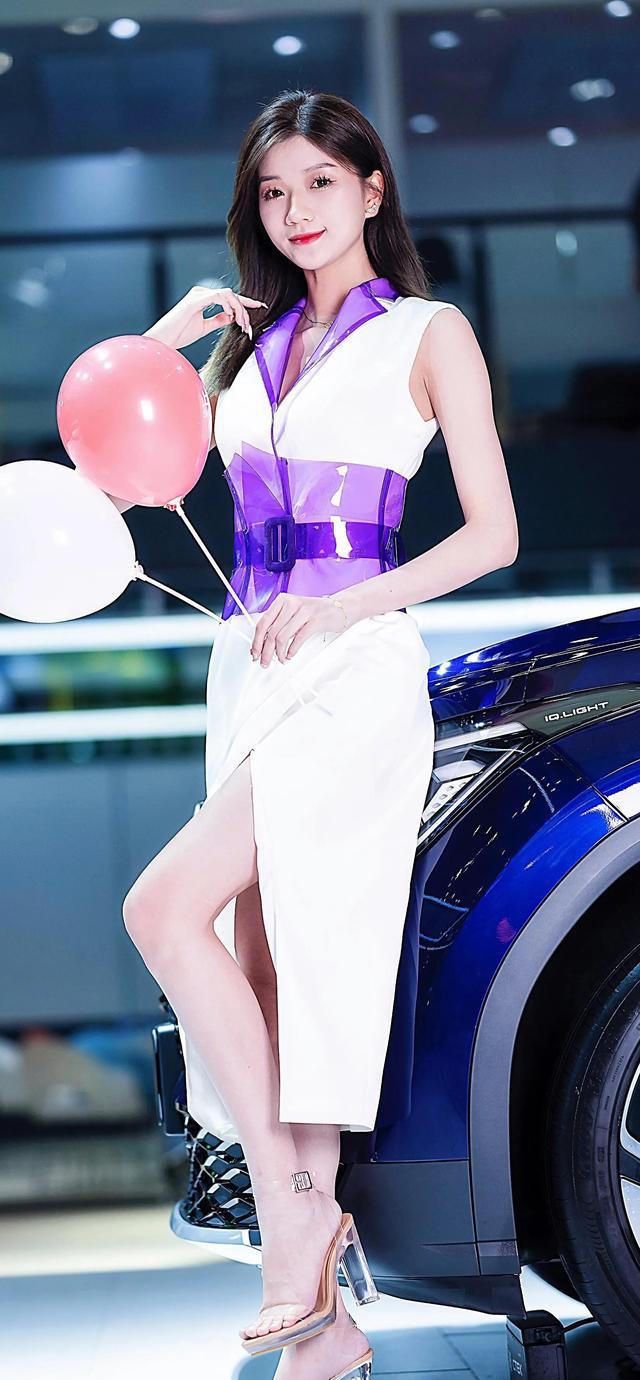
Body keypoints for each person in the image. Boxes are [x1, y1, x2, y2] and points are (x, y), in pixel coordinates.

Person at [115, 88, 519, 1380]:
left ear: (373, 190)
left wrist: (350, 603)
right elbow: (120, 468)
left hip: (351, 669)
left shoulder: (429, 333)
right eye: (274, 192)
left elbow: (493, 535)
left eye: (321, 185)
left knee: (169, 909)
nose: (295, 212)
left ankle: (298, 1214)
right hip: (248, 667)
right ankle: (324, 1329)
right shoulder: (247, 344)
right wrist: (169, 339)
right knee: (271, 963)